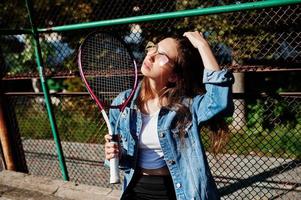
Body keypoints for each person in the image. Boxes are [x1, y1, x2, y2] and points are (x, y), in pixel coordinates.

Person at [104, 31, 234, 200]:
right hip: (135, 189)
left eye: (162, 56)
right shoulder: (124, 102)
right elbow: (124, 161)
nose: (150, 56)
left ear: (174, 76)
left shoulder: (187, 108)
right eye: (153, 48)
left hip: (178, 192)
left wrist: (203, 46)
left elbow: (219, 101)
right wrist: (116, 154)